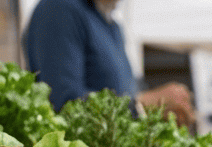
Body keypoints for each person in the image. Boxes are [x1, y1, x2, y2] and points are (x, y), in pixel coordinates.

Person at [25, 0, 195, 125]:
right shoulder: (58, 9)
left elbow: (128, 89)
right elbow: (64, 103)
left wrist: (162, 103)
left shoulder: (110, 24)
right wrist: (141, 105)